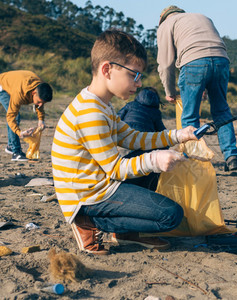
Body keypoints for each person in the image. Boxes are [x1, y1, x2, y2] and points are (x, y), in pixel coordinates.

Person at [51, 30, 198, 255]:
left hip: (100, 183)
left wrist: (179, 135)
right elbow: (116, 169)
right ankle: (88, 222)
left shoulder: (102, 103)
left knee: (154, 151)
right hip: (88, 197)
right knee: (171, 216)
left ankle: (125, 232)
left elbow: (133, 138)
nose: (138, 84)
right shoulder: (90, 113)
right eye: (134, 75)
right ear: (107, 70)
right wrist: (155, 160)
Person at [156, 5, 237, 172]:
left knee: (189, 116)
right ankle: (231, 156)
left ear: (162, 19)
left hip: (193, 63)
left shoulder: (167, 24)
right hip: (221, 60)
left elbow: (166, 63)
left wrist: (169, 92)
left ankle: (194, 160)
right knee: (221, 111)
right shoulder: (202, 17)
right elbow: (208, 50)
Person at [117, 87, 169, 190]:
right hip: (144, 141)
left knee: (125, 161)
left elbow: (117, 118)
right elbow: (161, 130)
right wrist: (166, 147)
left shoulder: (131, 105)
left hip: (125, 137)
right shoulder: (155, 112)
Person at [0, 70, 52, 161]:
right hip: (2, 87)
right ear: (33, 93)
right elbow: (10, 117)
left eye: (43, 103)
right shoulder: (19, 93)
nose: (40, 105)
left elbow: (39, 105)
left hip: (16, 82)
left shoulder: (40, 88)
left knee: (16, 115)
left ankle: (11, 145)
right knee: (16, 116)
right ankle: (16, 152)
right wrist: (20, 133)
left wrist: (41, 120)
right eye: (39, 102)